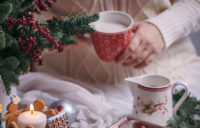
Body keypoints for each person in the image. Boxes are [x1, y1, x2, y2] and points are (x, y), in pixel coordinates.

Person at [36, 0, 200, 86]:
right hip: (67, 87)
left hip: (172, 77)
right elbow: (18, 9)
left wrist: (164, 28)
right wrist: (52, 30)